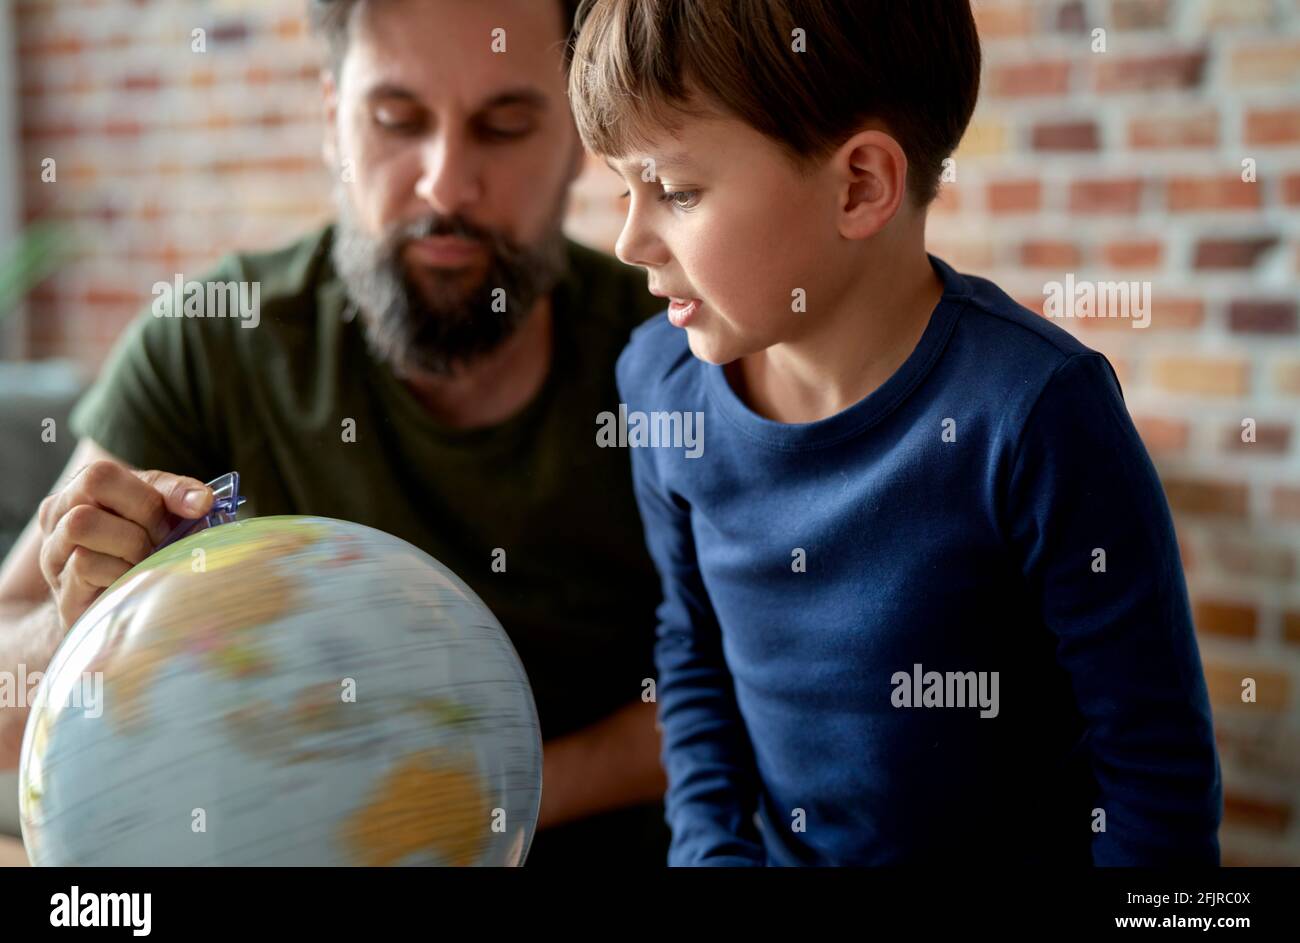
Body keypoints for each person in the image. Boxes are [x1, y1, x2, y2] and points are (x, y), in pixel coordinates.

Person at [0, 0, 669, 866]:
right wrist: (81, 616)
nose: (443, 184)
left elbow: (753, 691)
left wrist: (471, 810)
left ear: (579, 141)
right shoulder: (211, 342)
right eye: (396, 121)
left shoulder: (671, 353)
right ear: (330, 120)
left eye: (504, 127)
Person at [568, 0, 1222, 864]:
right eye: (623, 188)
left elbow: (1153, 774)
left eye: (676, 192)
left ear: (861, 186)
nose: (628, 240)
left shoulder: (1039, 413)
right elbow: (693, 655)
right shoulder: (657, 386)